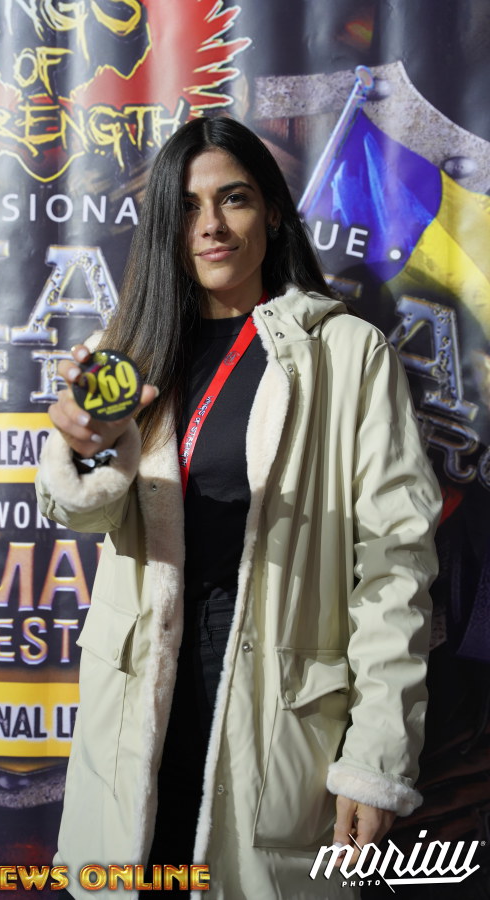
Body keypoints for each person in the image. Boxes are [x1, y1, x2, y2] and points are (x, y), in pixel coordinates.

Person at [36, 116, 441, 899]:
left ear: (274, 213)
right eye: (188, 207)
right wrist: (85, 447)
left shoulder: (345, 353)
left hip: (276, 708)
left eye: (234, 199)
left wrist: (377, 754)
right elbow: (82, 514)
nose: (211, 225)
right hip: (139, 702)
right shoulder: (132, 353)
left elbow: (396, 564)